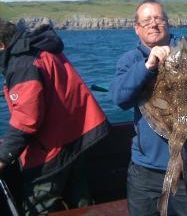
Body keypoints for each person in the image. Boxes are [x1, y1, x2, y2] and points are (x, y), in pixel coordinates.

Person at [109, 0, 187, 216]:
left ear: (168, 24)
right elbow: (119, 99)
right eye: (146, 20)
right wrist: (147, 66)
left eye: (159, 18)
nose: (153, 24)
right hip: (146, 171)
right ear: (137, 29)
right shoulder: (130, 60)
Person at [0, 19, 110, 215]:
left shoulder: (22, 63)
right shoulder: (40, 47)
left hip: (52, 149)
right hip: (76, 138)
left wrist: (3, 157)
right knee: (81, 201)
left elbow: (26, 120)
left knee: (39, 204)